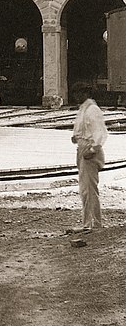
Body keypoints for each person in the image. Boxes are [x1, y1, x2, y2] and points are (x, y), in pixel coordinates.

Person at [70, 84, 108, 232]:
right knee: (85, 188)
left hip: (89, 150)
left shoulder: (92, 110)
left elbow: (100, 133)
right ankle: (89, 222)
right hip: (83, 148)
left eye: (79, 93)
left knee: (89, 188)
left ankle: (93, 223)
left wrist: (92, 149)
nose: (76, 96)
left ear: (86, 93)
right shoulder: (84, 109)